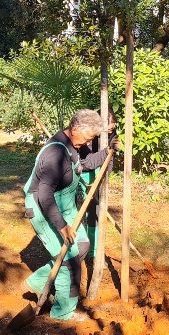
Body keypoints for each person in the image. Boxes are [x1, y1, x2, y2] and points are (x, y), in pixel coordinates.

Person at [22, 109, 116, 321]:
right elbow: (44, 196)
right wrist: (62, 226)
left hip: (64, 204)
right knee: (69, 261)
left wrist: (109, 150)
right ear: (74, 129)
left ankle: (37, 283)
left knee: (82, 246)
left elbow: (87, 164)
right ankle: (63, 312)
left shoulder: (73, 145)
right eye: (88, 137)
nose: (88, 143)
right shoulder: (55, 154)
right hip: (44, 208)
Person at [78, 111, 118, 267]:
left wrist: (105, 175)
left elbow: (110, 160)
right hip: (82, 177)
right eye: (108, 128)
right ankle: (75, 250)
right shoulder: (87, 136)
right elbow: (86, 163)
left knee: (95, 213)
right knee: (77, 213)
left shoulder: (112, 135)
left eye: (112, 128)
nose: (110, 130)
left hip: (99, 177)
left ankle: (94, 253)